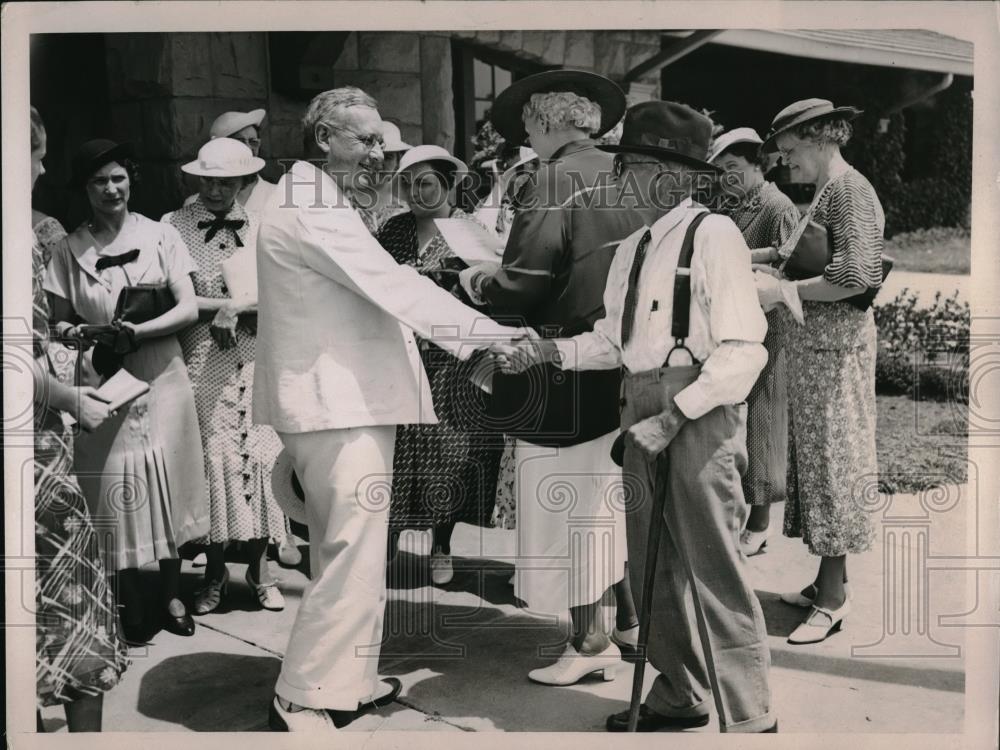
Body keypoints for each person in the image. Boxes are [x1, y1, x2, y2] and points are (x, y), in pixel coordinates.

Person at [493, 101, 777, 733]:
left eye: (634, 166)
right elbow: (613, 343)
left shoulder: (713, 236)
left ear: (675, 175)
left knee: (711, 563)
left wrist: (673, 417)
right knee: (653, 563)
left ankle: (752, 713)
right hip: (637, 401)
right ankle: (680, 694)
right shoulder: (632, 249)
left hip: (695, 409)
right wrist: (547, 352)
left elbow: (743, 349)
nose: (619, 178)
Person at [253, 86, 527, 732]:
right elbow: (391, 284)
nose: (382, 152)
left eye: (382, 140)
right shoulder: (307, 202)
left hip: (345, 402)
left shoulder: (323, 199)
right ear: (324, 139)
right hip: (333, 406)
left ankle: (348, 679)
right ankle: (300, 695)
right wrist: (492, 338)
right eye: (367, 139)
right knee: (351, 551)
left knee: (351, 550)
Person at [459, 70, 640, 685]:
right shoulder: (631, 174)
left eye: (530, 123)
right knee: (606, 501)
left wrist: (479, 278)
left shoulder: (551, 180)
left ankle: (588, 640)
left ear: (551, 122)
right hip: (623, 363)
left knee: (568, 507)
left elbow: (524, 283)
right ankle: (624, 626)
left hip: (558, 369)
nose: (527, 135)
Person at [44, 139, 208, 642]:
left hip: (161, 372)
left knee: (170, 484)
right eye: (99, 181)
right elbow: (58, 320)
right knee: (117, 491)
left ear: (130, 179)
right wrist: (76, 332)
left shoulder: (161, 235)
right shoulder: (68, 250)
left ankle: (174, 594)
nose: (111, 188)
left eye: (118, 177)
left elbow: (188, 307)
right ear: (84, 189)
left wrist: (140, 330)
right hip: (106, 379)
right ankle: (131, 598)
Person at [759, 98, 883, 644]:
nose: (786, 165)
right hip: (816, 354)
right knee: (815, 461)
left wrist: (782, 290)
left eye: (789, 153)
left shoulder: (850, 191)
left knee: (832, 463)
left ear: (818, 138)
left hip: (834, 356)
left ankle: (834, 599)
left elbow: (857, 275)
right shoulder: (829, 191)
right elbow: (798, 253)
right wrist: (746, 258)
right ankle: (824, 581)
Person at [31, 107, 129, 733]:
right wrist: (68, 398)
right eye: (34, 154)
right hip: (30, 448)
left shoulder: (34, 230)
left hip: (44, 434)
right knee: (67, 599)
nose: (42, 168)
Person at [164, 138, 286, 613]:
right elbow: (174, 298)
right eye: (208, 180)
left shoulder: (263, 225)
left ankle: (261, 572)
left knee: (257, 456)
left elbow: (284, 287)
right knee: (214, 461)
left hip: (256, 354)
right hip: (202, 358)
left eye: (227, 181)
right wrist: (221, 308)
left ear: (244, 181)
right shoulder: (172, 227)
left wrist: (240, 306)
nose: (216, 190)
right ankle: (214, 574)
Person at [376, 145, 504, 585]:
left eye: (425, 182)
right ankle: (389, 540)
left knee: (448, 453)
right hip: (401, 355)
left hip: (454, 361)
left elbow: (494, 293)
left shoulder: (471, 231)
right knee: (396, 450)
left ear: (449, 184)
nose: (415, 192)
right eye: (407, 184)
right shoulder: (393, 230)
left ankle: (441, 543)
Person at [708, 128, 800, 556]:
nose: (726, 177)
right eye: (720, 170)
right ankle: (734, 509)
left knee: (763, 422)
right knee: (730, 420)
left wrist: (745, 260)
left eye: (734, 169)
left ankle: (760, 522)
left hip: (770, 328)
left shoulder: (777, 206)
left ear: (758, 166)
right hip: (730, 324)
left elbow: (789, 266)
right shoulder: (724, 203)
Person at [184, 109, 276, 214]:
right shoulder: (193, 205)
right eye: (239, 141)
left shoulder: (276, 196)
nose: (248, 148)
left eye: (253, 142)